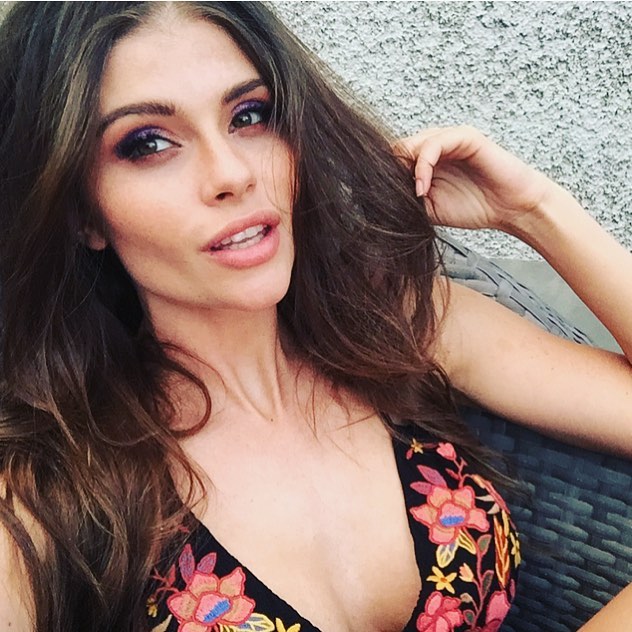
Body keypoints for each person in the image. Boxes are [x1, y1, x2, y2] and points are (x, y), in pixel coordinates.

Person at [0, 2, 630, 631]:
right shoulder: (43, 496)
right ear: (82, 213)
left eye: (249, 116)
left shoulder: (396, 321)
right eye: (148, 144)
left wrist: (536, 212)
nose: (233, 174)